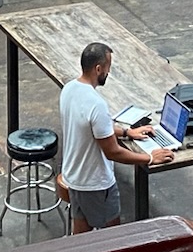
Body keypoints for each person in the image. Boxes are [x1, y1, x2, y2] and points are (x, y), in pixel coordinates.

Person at [58, 41, 173, 232]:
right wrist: (151, 158)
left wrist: (127, 132)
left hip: (74, 178)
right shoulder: (97, 104)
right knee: (113, 239)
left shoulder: (69, 89)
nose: (108, 72)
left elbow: (93, 126)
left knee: (80, 241)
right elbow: (113, 152)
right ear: (98, 68)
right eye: (108, 67)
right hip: (95, 184)